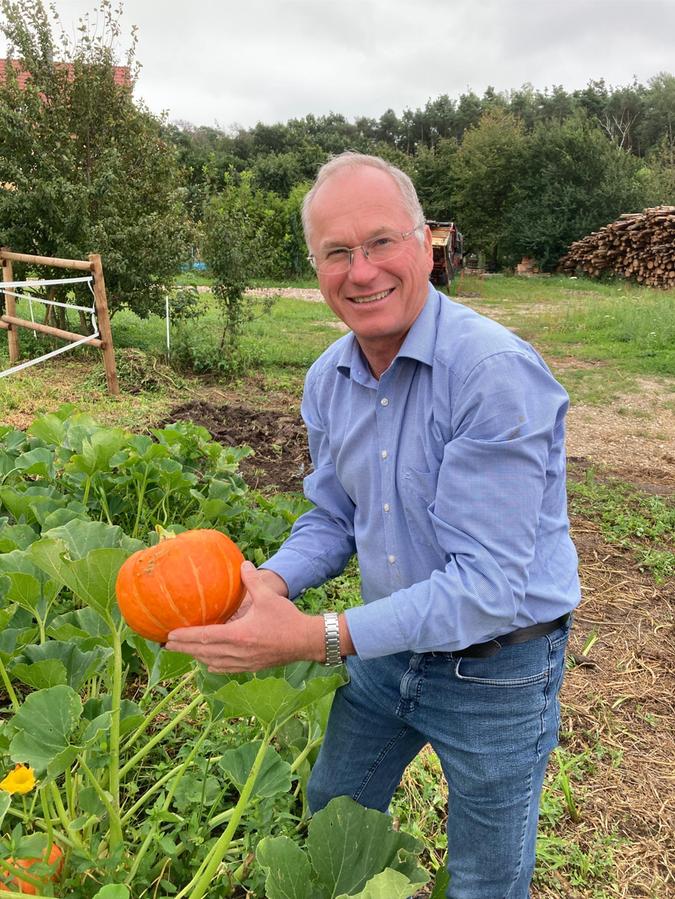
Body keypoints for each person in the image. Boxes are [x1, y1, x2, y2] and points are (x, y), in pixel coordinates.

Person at [166, 152, 581, 898]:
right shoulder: (329, 375)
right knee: (337, 810)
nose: (361, 272)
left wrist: (314, 635)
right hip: (388, 651)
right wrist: (270, 578)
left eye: (381, 242)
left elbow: (485, 589)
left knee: (485, 877)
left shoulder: (490, 372)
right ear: (315, 267)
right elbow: (333, 514)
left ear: (427, 245)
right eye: (336, 252)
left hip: (496, 665)